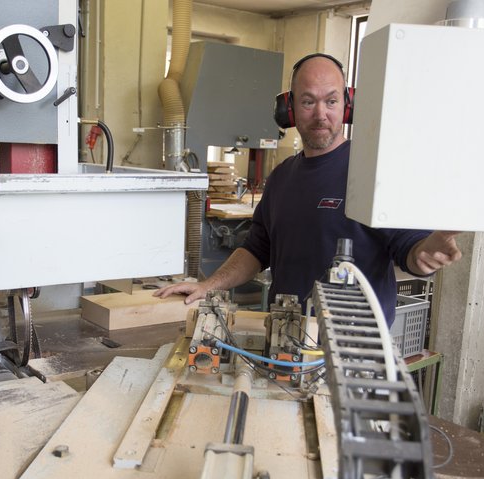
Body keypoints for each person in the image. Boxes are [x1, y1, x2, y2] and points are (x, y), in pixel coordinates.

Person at [154, 53, 462, 324]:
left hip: (354, 351)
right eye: (307, 101)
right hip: (286, 338)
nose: (320, 115)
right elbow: (256, 251)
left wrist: (426, 252)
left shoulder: (374, 173)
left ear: (347, 105)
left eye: (331, 100)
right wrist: (208, 286)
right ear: (288, 109)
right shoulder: (282, 177)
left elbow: (410, 248)